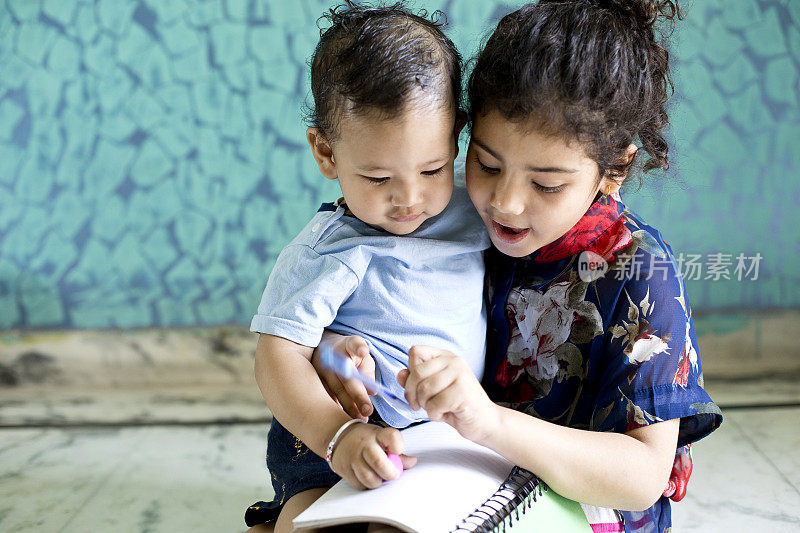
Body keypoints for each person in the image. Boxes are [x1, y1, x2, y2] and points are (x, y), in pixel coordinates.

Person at [313, 1, 723, 532]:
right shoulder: (455, 220)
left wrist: (487, 423)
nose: (504, 203)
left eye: (546, 184)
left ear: (615, 168)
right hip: (458, 473)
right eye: (485, 163)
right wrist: (338, 357)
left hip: (579, 501)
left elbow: (643, 475)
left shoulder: (640, 272)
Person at [244, 2, 491, 531]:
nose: (410, 198)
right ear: (326, 154)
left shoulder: (474, 211)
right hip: (338, 422)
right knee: (314, 520)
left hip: (442, 428)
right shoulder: (330, 251)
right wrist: (336, 436)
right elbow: (275, 357)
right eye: (378, 178)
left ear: (457, 138)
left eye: (432, 169)